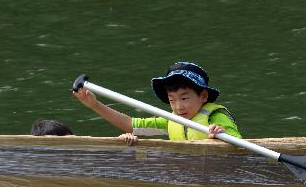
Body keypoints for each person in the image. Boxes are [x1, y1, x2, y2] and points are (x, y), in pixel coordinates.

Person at [72, 61, 241, 145]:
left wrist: (222, 137)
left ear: (203, 96)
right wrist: (94, 104)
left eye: (184, 98)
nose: (178, 107)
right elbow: (131, 125)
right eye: (171, 100)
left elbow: (240, 146)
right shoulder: (172, 119)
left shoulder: (216, 115)